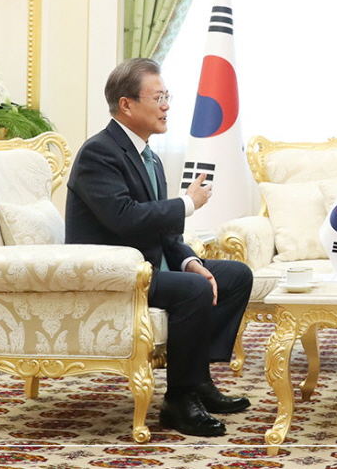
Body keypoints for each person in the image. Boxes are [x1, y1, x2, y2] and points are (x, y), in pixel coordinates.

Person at [66, 58, 254, 437]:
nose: (167, 105)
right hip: (110, 274)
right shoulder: (98, 153)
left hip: (145, 267)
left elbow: (162, 227)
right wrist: (188, 203)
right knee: (195, 291)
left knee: (235, 276)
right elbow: (125, 217)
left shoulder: (148, 154)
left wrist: (188, 261)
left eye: (168, 96)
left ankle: (197, 380)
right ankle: (179, 401)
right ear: (127, 104)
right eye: (159, 97)